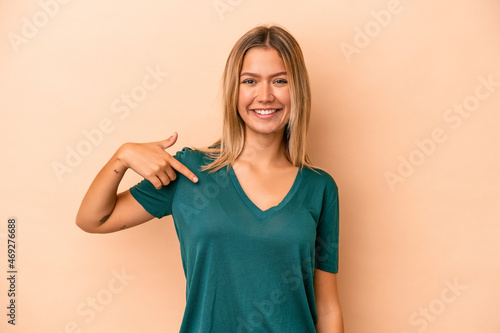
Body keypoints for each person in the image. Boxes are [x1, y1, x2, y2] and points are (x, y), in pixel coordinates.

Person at [76, 25, 343, 332]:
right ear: (234, 89)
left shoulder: (319, 187)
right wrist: (121, 157)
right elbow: (92, 219)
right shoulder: (190, 171)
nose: (265, 95)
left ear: (298, 89)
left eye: (280, 80)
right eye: (250, 81)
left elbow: (327, 307)